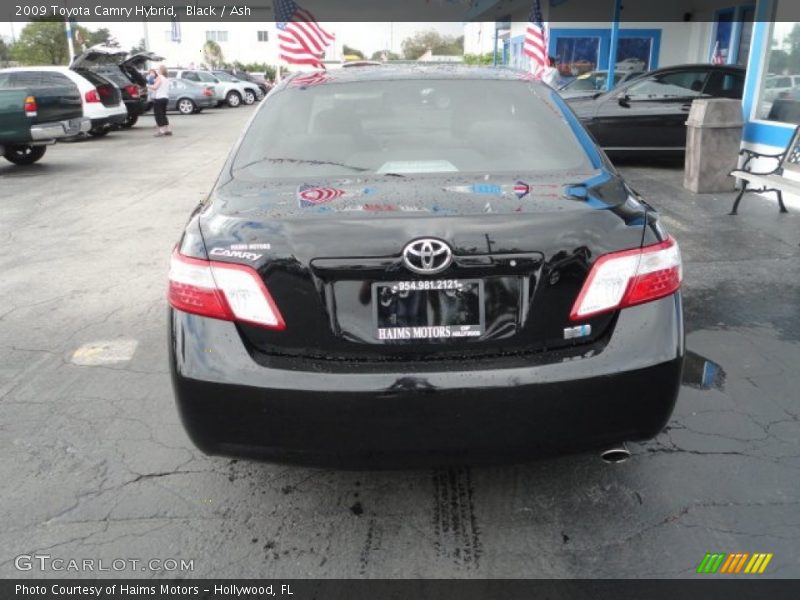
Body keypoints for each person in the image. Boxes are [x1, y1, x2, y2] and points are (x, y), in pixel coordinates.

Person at [148, 65, 172, 137]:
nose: (157, 71)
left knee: (158, 115)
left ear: (161, 70)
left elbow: (155, 87)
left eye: (158, 69)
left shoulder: (159, 77)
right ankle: (168, 130)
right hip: (165, 98)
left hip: (159, 98)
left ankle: (161, 131)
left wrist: (147, 85)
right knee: (163, 115)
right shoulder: (166, 79)